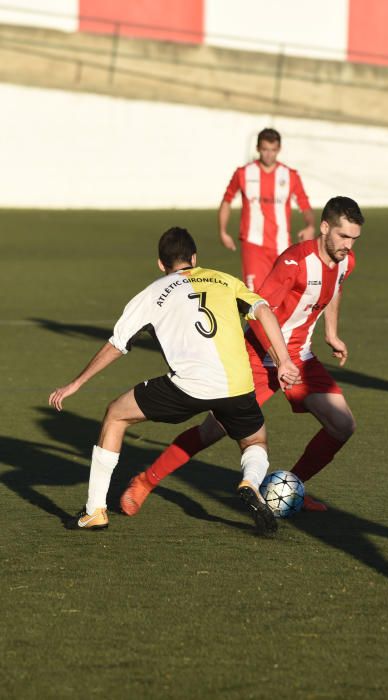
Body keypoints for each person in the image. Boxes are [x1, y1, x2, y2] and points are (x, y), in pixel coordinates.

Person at [120, 197, 364, 516]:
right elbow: (257, 314)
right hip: (260, 357)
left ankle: (290, 489)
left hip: (300, 357)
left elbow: (336, 288)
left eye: (354, 239)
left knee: (342, 425)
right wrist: (280, 360)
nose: (348, 245)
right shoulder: (294, 262)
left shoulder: (346, 260)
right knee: (212, 431)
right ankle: (146, 481)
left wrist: (331, 333)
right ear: (324, 227)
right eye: (343, 236)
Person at [49, 227, 300, 535]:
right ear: (194, 258)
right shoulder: (225, 280)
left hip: (188, 387)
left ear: (160, 264)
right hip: (236, 384)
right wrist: (284, 360)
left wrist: (77, 383)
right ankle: (250, 480)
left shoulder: (153, 292)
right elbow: (263, 311)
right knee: (255, 440)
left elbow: (118, 344)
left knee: (115, 415)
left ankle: (94, 511)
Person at [219, 127, 315, 291]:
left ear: (278, 150)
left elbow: (305, 205)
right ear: (258, 149)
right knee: (256, 297)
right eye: (265, 149)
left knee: (282, 296)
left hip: (282, 246)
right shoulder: (243, 173)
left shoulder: (290, 175)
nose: (269, 154)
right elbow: (227, 200)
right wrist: (223, 231)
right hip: (253, 245)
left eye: (273, 150)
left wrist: (311, 225)